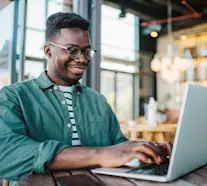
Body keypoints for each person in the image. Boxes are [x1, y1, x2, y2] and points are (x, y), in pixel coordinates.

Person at [0, 12, 172, 182]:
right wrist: (100, 154)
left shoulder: (98, 101)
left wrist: (145, 149)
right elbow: (6, 153)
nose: (82, 59)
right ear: (48, 51)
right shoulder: (14, 96)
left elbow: (118, 145)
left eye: (87, 51)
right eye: (73, 50)